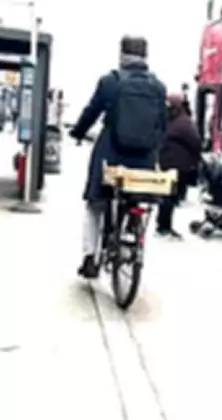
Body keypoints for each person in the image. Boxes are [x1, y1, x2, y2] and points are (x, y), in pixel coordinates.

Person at [69, 35, 167, 279]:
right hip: (143, 160)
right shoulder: (158, 87)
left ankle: (90, 257)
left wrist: (78, 131)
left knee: (95, 205)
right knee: (137, 200)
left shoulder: (110, 82)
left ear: (121, 54)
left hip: (110, 154)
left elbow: (91, 112)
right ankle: (135, 243)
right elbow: (163, 125)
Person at [156, 93, 202, 238]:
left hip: (168, 163)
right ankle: (164, 226)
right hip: (179, 166)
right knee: (170, 196)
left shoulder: (170, 121)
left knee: (167, 196)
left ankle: (163, 225)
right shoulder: (184, 122)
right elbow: (195, 142)